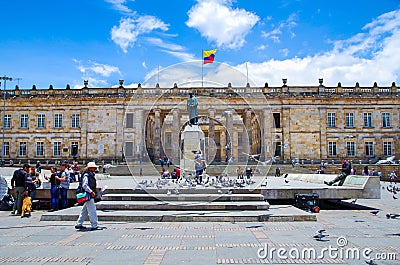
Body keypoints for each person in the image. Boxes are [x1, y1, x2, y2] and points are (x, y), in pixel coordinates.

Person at [75, 162, 103, 230]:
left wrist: (96, 188)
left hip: (88, 194)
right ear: (90, 168)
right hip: (88, 194)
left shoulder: (90, 174)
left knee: (85, 210)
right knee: (92, 210)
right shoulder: (87, 175)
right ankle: (94, 225)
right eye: (94, 167)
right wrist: (91, 191)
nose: (95, 169)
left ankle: (79, 223)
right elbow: (85, 185)